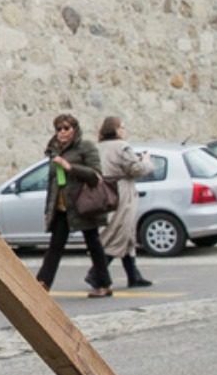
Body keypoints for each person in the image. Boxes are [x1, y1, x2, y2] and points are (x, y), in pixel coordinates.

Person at [35, 113, 114, 297]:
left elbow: (96, 175)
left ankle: (104, 284)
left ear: (74, 129)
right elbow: (52, 183)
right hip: (62, 205)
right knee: (55, 245)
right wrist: (48, 209)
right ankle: (42, 283)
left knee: (93, 243)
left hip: (82, 204)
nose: (62, 132)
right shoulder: (54, 150)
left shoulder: (85, 147)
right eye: (59, 129)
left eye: (66, 128)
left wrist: (70, 167)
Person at [95, 116, 157, 289]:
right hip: (122, 191)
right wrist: (146, 161)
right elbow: (135, 169)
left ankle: (133, 275)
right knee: (120, 230)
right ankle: (96, 272)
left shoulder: (99, 147)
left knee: (126, 232)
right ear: (115, 129)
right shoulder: (122, 147)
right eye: (121, 127)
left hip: (106, 190)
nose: (124, 130)